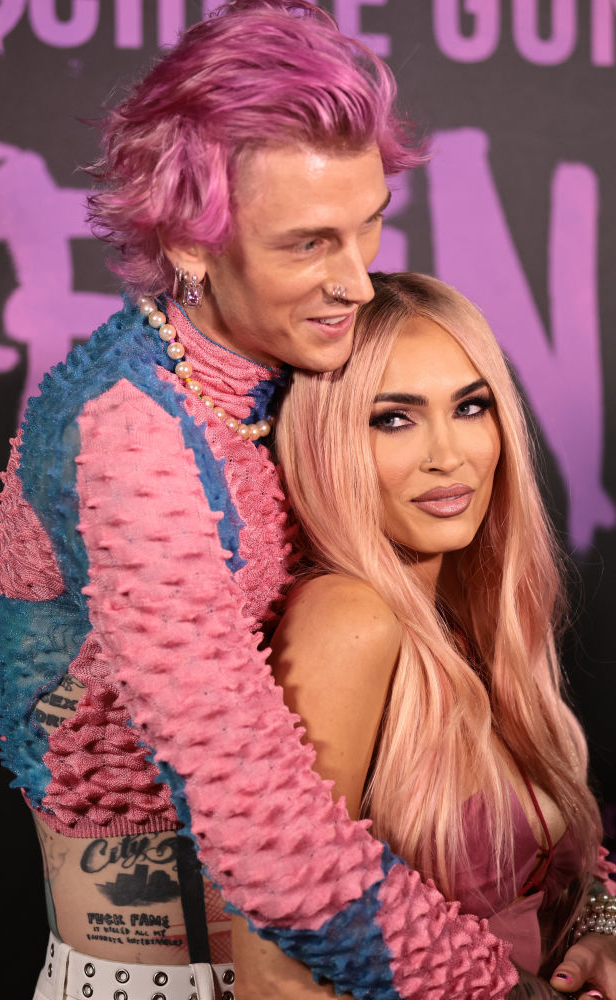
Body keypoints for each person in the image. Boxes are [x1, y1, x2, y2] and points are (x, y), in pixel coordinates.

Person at [0, 0, 519, 1000]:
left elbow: (463, 718)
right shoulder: (125, 431)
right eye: (307, 244)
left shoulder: (294, 368)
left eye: (368, 226)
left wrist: (590, 907)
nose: (357, 282)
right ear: (189, 242)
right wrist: (504, 990)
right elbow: (264, 835)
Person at [249, 271, 616, 1000]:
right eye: (393, 419)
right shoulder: (346, 618)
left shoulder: (468, 619)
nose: (448, 455)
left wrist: (599, 926)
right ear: (324, 440)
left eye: (470, 407)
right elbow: (279, 972)